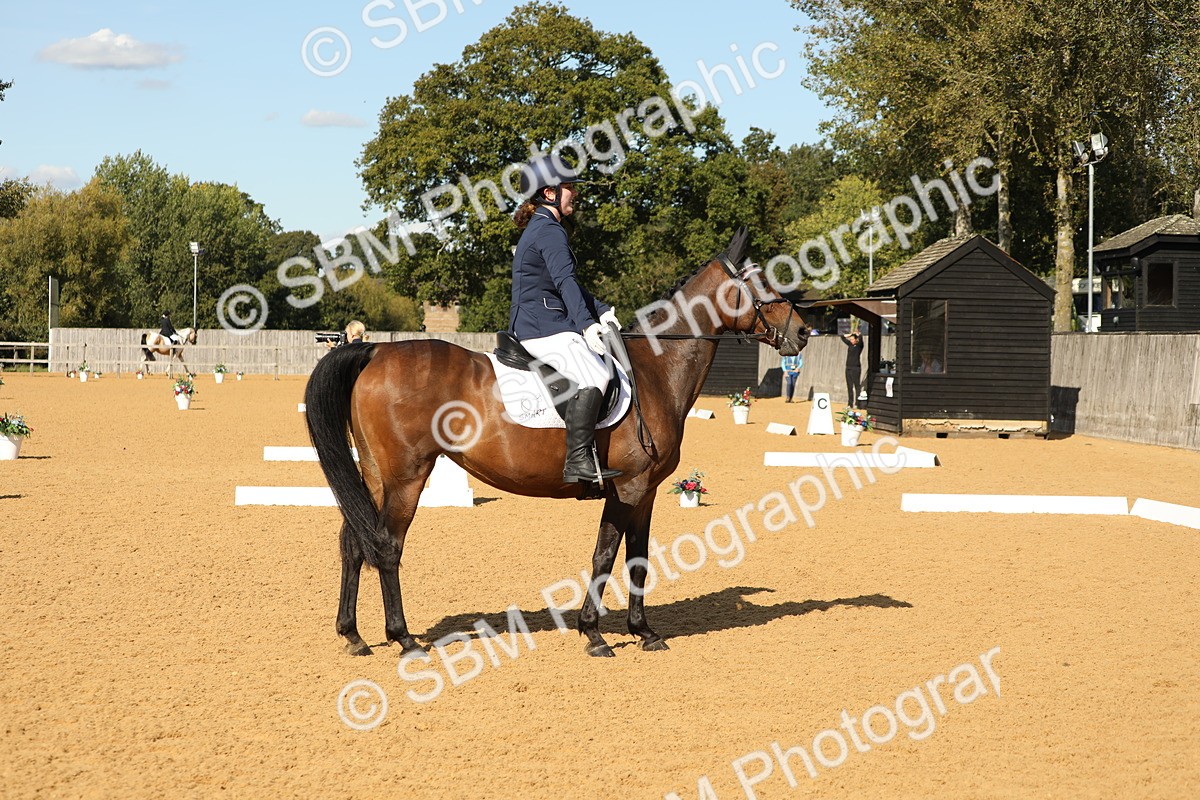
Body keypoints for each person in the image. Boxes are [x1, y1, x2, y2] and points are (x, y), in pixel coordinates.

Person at [510, 154, 621, 484]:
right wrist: (586, 325)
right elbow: (564, 283)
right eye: (570, 187)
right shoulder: (549, 231)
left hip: (543, 320)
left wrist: (600, 310)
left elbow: (565, 282)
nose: (576, 193)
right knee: (596, 376)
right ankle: (578, 461)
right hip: (542, 326)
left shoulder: (545, 228)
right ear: (549, 193)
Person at [841, 330, 864, 407]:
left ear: (856, 340)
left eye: (852, 339)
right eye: (850, 340)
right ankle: (850, 403)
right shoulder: (850, 345)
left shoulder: (859, 346)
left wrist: (858, 335)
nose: (851, 341)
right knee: (849, 386)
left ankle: (858, 403)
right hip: (848, 367)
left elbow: (861, 340)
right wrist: (850, 334)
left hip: (856, 368)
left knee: (857, 385)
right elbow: (842, 337)